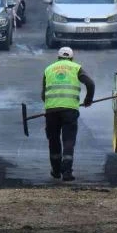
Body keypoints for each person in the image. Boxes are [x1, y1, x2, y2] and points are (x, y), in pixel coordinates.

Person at [41, 47, 95, 182]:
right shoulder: (76, 68)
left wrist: (51, 103)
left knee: (53, 140)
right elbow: (90, 83)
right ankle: (67, 172)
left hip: (51, 111)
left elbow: (43, 94)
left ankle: (56, 170)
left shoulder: (48, 69)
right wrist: (88, 100)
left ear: (58, 58)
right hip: (70, 110)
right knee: (68, 140)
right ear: (71, 58)